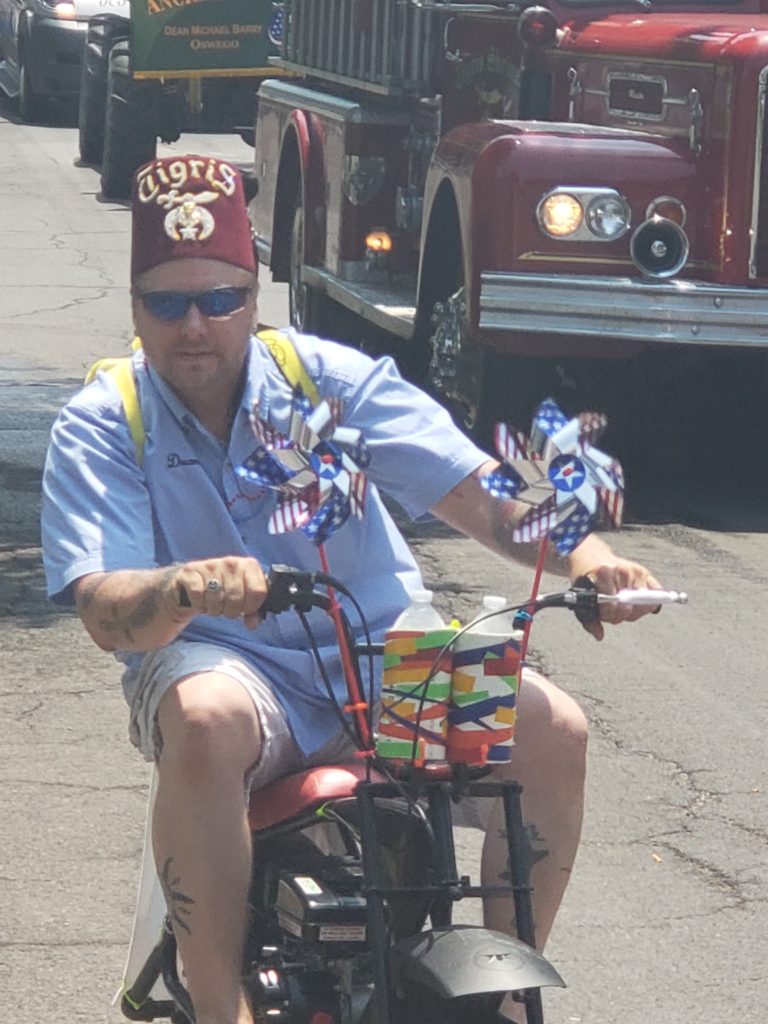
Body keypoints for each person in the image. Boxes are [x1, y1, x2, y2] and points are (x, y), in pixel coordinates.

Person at [41, 154, 661, 1024]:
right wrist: (181, 589)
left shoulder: (327, 382)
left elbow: (479, 494)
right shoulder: (107, 422)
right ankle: (223, 1009)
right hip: (235, 673)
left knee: (554, 728)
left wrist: (588, 555)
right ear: (135, 307)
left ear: (254, 300)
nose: (194, 327)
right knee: (208, 717)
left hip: (384, 660)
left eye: (218, 300)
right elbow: (106, 611)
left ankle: (511, 995)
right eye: (167, 302)